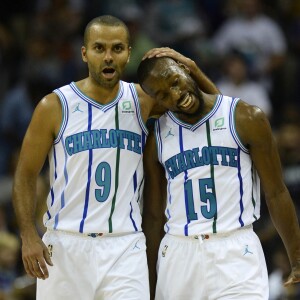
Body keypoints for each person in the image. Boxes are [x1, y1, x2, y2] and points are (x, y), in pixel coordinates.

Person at [12, 15, 219, 300]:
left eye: (117, 48)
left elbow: (214, 113)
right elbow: (25, 174)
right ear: (85, 54)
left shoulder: (143, 101)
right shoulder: (55, 105)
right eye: (99, 48)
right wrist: (27, 235)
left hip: (125, 247)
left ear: (128, 54)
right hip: (65, 244)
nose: (108, 57)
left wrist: (191, 68)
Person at [137, 48, 300, 300]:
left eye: (175, 82)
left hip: (235, 250)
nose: (177, 95)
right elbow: (154, 216)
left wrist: (297, 257)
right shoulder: (156, 137)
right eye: (163, 94)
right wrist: (149, 281)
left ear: (187, 69)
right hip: (179, 252)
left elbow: (277, 192)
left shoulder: (246, 117)